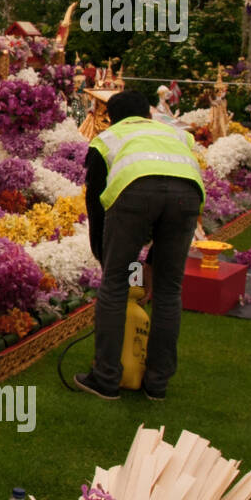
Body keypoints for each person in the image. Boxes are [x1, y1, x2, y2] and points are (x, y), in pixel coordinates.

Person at [79, 89, 204, 401]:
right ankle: (157, 384)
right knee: (168, 289)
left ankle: (106, 378)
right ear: (149, 113)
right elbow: (176, 179)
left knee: (114, 284)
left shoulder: (106, 139)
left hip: (135, 193)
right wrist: (153, 261)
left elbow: (95, 204)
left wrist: (103, 254)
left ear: (112, 117)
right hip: (187, 194)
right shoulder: (176, 134)